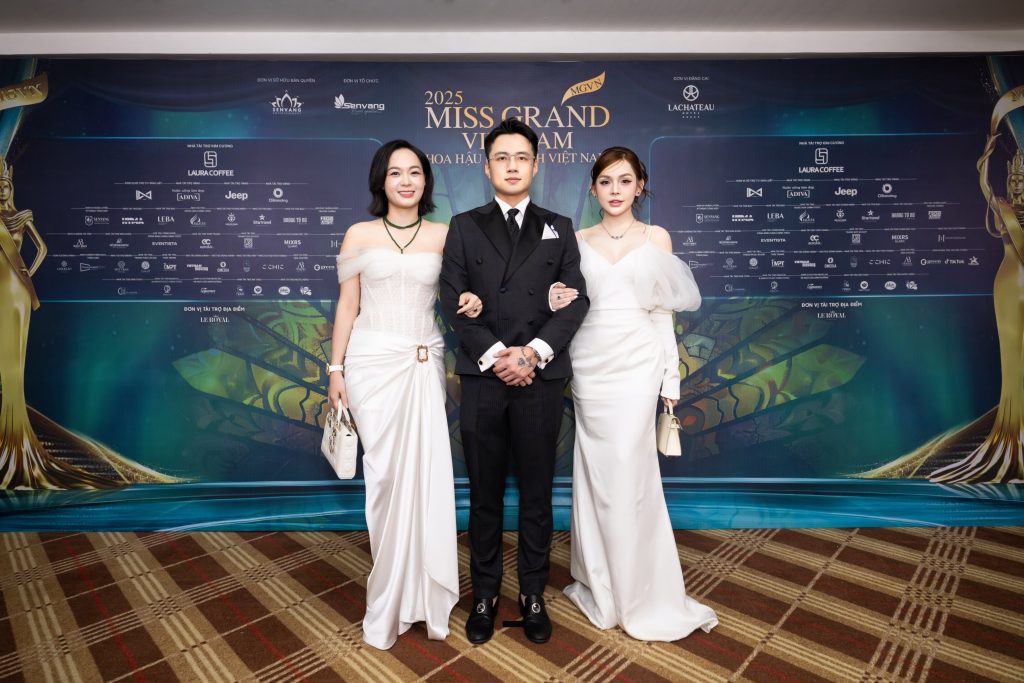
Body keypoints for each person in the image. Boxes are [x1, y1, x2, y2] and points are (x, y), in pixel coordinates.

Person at [550, 146, 718, 641]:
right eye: (606, 181)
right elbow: (561, 304)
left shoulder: (656, 237)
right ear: (593, 188)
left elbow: (663, 315)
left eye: (625, 181)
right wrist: (554, 298)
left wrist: (670, 380)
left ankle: (639, 587)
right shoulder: (576, 240)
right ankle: (600, 581)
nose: (615, 190)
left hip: (638, 364)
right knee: (595, 473)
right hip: (589, 363)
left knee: (630, 470)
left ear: (639, 186)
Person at [326, 140, 485, 650]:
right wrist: (335, 369)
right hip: (370, 364)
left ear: (425, 180)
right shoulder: (359, 233)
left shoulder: (444, 234)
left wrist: (471, 301)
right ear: (382, 180)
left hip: (421, 362)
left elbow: (460, 297)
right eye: (396, 172)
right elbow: (347, 306)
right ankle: (390, 593)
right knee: (385, 477)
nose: (406, 181)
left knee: (425, 475)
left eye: (414, 172)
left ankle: (424, 594)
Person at [440, 119, 589, 645]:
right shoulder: (464, 225)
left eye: (521, 157)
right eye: (501, 157)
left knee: (536, 494)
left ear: (535, 165)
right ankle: (483, 595)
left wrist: (532, 354)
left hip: (539, 378)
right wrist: (498, 356)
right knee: (483, 495)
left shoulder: (559, 226)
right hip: (484, 378)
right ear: (487, 167)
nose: (511, 166)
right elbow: (451, 299)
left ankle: (532, 594)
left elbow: (577, 301)